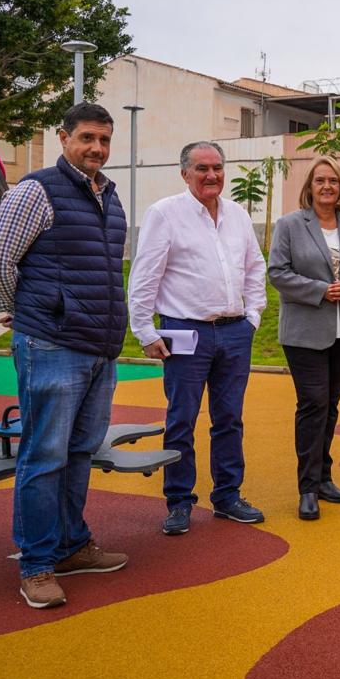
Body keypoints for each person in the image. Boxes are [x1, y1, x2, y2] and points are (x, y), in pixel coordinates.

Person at [0, 102, 129, 610]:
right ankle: (37, 564)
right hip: (52, 345)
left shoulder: (111, 197)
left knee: (80, 451)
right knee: (43, 455)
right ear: (63, 137)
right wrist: (15, 312)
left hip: (98, 347)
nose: (97, 149)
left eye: (105, 140)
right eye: (87, 137)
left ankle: (71, 546)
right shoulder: (36, 190)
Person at [128, 141, 267, 535]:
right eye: (202, 168)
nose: (211, 175)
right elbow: (144, 275)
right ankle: (178, 501)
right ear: (184, 172)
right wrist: (144, 331)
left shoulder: (238, 215)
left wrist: (252, 317)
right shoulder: (164, 214)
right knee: (181, 419)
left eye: (218, 168)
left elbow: (255, 268)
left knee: (229, 419)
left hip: (235, 332)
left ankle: (227, 495)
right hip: (183, 332)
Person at [268, 156, 340, 520]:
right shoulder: (289, 225)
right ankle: (308, 487)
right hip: (304, 334)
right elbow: (278, 273)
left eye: (333, 180)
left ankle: (325, 477)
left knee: (330, 407)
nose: (327, 186)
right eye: (320, 181)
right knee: (313, 404)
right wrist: (321, 290)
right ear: (309, 187)